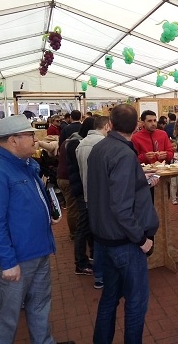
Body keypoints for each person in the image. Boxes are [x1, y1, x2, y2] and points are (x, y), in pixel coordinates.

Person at [0, 115, 71, 343]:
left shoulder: (27, 165)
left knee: (40, 306)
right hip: (14, 259)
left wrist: (48, 213)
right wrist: (7, 261)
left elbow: (35, 197)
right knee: (8, 316)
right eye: (29, 134)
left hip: (37, 250)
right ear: (12, 140)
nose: (35, 139)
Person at [88, 104, 158, 343]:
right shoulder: (124, 154)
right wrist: (141, 239)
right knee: (136, 302)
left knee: (109, 297)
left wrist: (141, 183)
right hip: (124, 241)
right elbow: (120, 206)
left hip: (104, 237)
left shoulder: (100, 149)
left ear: (110, 123)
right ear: (137, 124)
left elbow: (110, 192)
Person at [76, 115, 110, 289]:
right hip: (101, 198)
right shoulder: (101, 144)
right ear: (106, 126)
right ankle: (101, 275)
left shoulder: (81, 144)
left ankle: (98, 273)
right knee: (102, 237)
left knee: (95, 234)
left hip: (88, 195)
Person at [66, 117, 95, 276]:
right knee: (83, 227)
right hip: (81, 190)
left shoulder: (76, 142)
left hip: (80, 188)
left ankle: (88, 257)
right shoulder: (78, 144)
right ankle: (80, 263)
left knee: (87, 226)